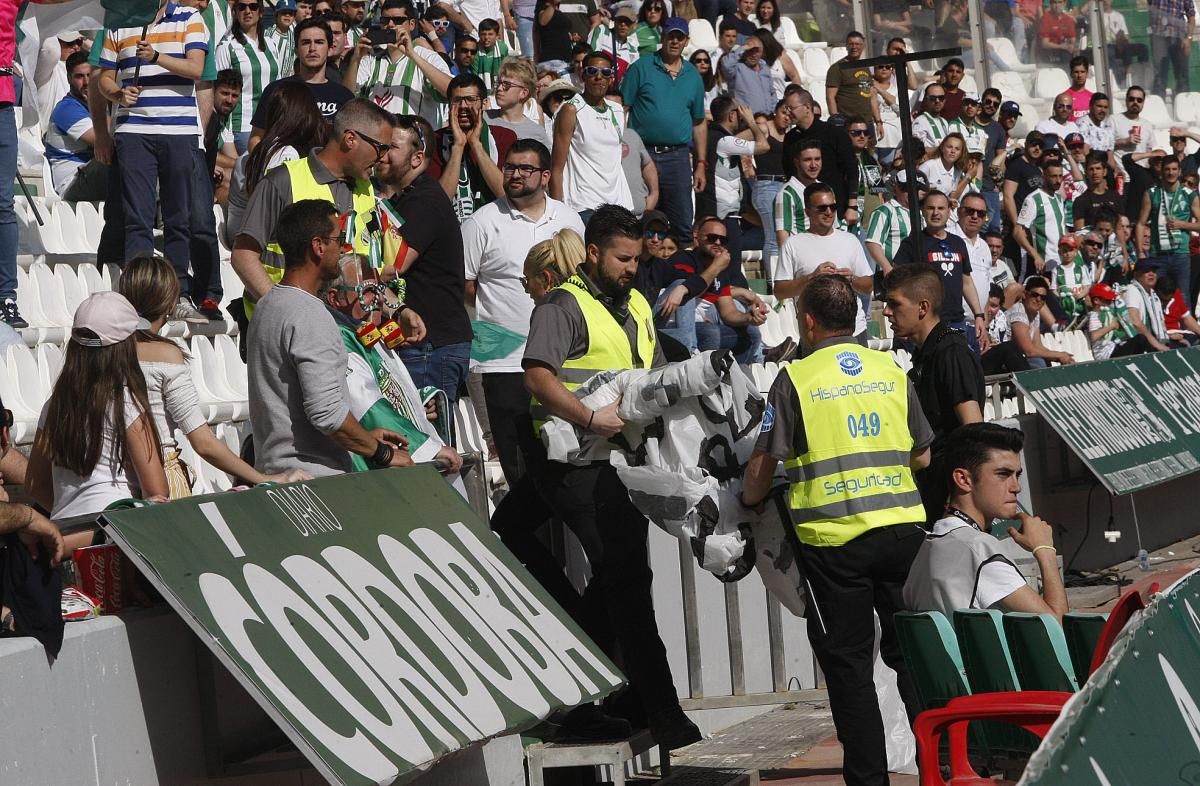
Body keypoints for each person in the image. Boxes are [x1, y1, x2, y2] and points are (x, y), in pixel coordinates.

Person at [523, 204, 702, 750]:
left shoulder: (639, 304)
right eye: (622, 258)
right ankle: (663, 713)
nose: (632, 267)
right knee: (626, 583)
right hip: (576, 462)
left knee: (617, 580)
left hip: (620, 463)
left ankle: (590, 700)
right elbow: (536, 375)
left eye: (637, 258)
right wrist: (589, 416)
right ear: (593, 253)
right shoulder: (562, 306)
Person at [740, 273, 931, 786]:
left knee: (850, 670)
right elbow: (924, 452)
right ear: (854, 320)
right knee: (913, 656)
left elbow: (763, 466)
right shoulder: (891, 370)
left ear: (806, 321)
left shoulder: (795, 379)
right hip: (903, 533)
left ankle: (869, 781)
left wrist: (747, 498)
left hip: (833, 544)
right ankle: (945, 767)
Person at [117, 255, 309, 495]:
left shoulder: (105, 350)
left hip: (115, 480)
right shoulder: (166, 355)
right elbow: (203, 442)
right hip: (159, 478)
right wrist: (262, 478)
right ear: (169, 303)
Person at [248, 199, 413, 477]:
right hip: (313, 483)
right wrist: (381, 453)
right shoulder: (310, 315)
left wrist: (366, 437)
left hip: (277, 473)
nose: (344, 248)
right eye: (339, 239)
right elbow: (326, 414)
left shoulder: (268, 305)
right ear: (318, 246)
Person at [463, 137, 584, 486]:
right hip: (502, 362)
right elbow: (467, 289)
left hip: (561, 361)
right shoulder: (481, 222)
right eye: (510, 167)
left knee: (563, 468)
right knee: (519, 470)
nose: (515, 174)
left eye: (525, 168)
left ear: (546, 176)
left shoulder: (569, 218)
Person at [26, 292, 170, 550]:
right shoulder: (126, 402)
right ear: (123, 349)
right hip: (116, 538)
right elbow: (157, 492)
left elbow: (35, 484)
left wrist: (72, 519)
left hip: (63, 537)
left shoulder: (55, 405)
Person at [234, 98, 395, 316]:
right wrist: (283, 311)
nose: (383, 158)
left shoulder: (365, 189)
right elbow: (243, 255)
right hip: (284, 333)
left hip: (344, 333)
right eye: (381, 148)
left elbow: (368, 270)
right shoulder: (283, 180)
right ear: (350, 139)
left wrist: (398, 310)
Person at [96, 1, 207, 312]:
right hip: (133, 130)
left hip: (178, 130)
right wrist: (118, 94)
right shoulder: (117, 20)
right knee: (137, 220)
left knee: (178, 218)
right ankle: (141, 296)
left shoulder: (189, 17)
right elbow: (104, 77)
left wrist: (158, 57)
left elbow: (196, 68)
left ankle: (178, 293)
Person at [904, 423, 1068, 621]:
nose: (1016, 487)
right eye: (1003, 474)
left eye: (1017, 475)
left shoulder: (928, 546)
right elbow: (1058, 627)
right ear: (963, 479)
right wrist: (1045, 550)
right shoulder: (980, 552)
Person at [322, 253, 465, 473]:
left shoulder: (366, 332)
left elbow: (387, 387)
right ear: (335, 299)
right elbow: (368, 407)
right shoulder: (339, 341)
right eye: (368, 292)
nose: (378, 300)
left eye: (380, 290)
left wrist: (419, 402)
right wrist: (427, 450)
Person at [379, 115, 474, 405]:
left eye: (391, 147)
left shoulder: (425, 201)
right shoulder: (406, 199)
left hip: (431, 346)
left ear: (417, 158)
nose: (381, 154)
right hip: (424, 343)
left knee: (432, 444)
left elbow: (392, 266)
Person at [883, 265, 984, 525]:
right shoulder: (927, 353)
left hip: (950, 500)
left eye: (894, 304)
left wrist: (959, 498)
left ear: (923, 307)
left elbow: (974, 430)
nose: (886, 312)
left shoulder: (951, 352)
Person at [621, 17, 707, 240]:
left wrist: (700, 164)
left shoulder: (693, 76)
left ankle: (682, 273)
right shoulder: (641, 67)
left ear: (687, 41)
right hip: (642, 154)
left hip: (678, 157)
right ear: (663, 37)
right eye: (671, 36)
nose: (675, 41)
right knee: (635, 219)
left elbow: (699, 122)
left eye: (680, 37)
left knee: (682, 224)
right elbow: (622, 108)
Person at [776, 183, 874, 343]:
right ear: (807, 211)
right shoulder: (793, 244)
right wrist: (811, 278)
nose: (829, 212)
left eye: (833, 207)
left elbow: (868, 285)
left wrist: (851, 279)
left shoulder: (850, 240)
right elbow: (780, 291)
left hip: (855, 331)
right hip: (815, 334)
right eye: (822, 208)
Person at [893, 190, 988, 354]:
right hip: (925, 322)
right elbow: (897, 282)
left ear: (949, 211)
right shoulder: (912, 243)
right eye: (930, 208)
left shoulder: (958, 243)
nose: (936, 213)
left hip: (956, 321)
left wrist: (979, 315)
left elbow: (966, 281)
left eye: (941, 208)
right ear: (923, 211)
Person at [663, 216, 767, 361]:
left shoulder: (720, 271)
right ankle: (705, 376)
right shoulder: (683, 258)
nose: (718, 243)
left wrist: (749, 317)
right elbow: (690, 290)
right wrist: (716, 266)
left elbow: (729, 313)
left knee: (751, 333)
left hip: (702, 327)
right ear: (697, 238)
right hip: (673, 327)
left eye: (723, 240)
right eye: (712, 238)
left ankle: (738, 376)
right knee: (710, 332)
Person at [342, 0, 453, 125]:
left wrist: (412, 54)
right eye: (385, 20)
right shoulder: (371, 60)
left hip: (415, 140)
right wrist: (356, 58)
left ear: (412, 24)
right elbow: (345, 99)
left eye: (398, 20)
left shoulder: (427, 56)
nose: (390, 24)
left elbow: (451, 92)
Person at [249, 18, 355, 147]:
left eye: (319, 42)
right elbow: (256, 138)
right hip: (283, 165)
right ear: (297, 50)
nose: (312, 48)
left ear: (329, 48)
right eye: (305, 42)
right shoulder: (276, 90)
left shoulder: (343, 96)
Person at [550, 51, 632, 220]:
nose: (599, 77)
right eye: (593, 71)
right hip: (584, 207)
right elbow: (556, 168)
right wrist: (557, 215)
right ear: (583, 74)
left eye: (606, 72)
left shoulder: (617, 110)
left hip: (618, 205)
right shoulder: (570, 109)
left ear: (611, 78)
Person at [428, 73, 517, 221]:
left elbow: (506, 194)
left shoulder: (504, 137)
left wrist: (476, 144)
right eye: (456, 100)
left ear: (484, 103)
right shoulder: (435, 140)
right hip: (452, 228)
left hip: (496, 225)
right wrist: (458, 147)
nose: (463, 106)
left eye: (470, 99)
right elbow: (439, 203)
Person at [695, 96, 767, 271]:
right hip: (725, 216)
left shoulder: (710, 138)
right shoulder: (725, 141)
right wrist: (751, 120)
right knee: (731, 270)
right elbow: (764, 146)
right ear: (732, 116)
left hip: (710, 212)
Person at [217, 0, 285, 153]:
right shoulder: (228, 46)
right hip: (243, 127)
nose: (248, 11)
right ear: (235, 13)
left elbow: (278, 85)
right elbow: (219, 94)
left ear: (261, 12)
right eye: (242, 7)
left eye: (253, 7)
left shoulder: (271, 44)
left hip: (274, 126)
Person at [782, 88, 859, 221]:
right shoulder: (790, 138)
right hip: (805, 210)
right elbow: (789, 172)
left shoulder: (835, 134)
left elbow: (851, 170)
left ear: (807, 107)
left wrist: (852, 206)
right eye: (786, 108)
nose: (788, 112)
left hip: (835, 208)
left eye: (791, 108)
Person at [1138, 156, 1200, 309]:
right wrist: (1140, 251)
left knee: (1183, 297)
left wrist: (1182, 224)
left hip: (1181, 254)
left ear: (1179, 171)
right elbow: (1140, 223)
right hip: (1157, 253)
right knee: (1155, 297)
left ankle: (1186, 332)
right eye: (1167, 169)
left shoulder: (1189, 194)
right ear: (1161, 172)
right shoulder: (1152, 193)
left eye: (1174, 169)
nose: (1170, 173)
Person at [45, 51, 104, 201]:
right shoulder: (66, 109)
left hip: (92, 175)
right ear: (69, 78)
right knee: (122, 155)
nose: (86, 82)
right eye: (79, 76)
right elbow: (104, 143)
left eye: (90, 75)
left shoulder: (94, 105)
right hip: (72, 183)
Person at [992, 276, 1076, 371]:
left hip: (1016, 359)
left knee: (1045, 361)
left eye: (1043, 297)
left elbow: (1038, 346)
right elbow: (1029, 351)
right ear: (1024, 294)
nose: (1038, 299)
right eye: (1034, 295)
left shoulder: (1035, 314)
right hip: (1002, 361)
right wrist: (1058, 355)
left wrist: (1061, 357)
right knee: (1038, 363)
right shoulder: (1018, 313)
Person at [750, 98, 791, 271]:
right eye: (783, 112)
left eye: (790, 114)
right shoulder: (765, 127)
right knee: (773, 237)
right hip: (766, 185)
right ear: (775, 111)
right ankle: (773, 284)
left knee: (785, 236)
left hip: (784, 185)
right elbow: (736, 139)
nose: (787, 117)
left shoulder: (790, 134)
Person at [1014, 159, 1069, 278]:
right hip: (1046, 265)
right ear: (1044, 176)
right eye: (1054, 176)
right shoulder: (1034, 199)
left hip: (1062, 262)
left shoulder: (1059, 199)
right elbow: (1018, 232)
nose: (1058, 180)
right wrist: (1035, 255)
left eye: (1060, 176)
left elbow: (1061, 228)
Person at [865, 168, 925, 277]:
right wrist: (887, 268)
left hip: (914, 277)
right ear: (895, 187)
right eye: (905, 188)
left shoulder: (920, 213)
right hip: (892, 275)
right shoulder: (885, 211)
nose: (910, 192)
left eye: (914, 188)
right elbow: (872, 243)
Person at [774, 139, 832, 249]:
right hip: (802, 257)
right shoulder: (786, 194)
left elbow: (835, 228)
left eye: (817, 159)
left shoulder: (827, 190)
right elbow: (782, 236)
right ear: (796, 162)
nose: (814, 165)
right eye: (807, 160)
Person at [486, 56, 551, 147]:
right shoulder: (483, 120)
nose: (500, 88)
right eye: (499, 83)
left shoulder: (536, 134)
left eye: (507, 85)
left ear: (523, 93)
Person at [1120, 259, 1174, 352]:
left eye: (1154, 271)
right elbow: (1135, 322)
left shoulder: (1153, 295)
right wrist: (1156, 344)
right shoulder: (1131, 290)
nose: (1151, 274)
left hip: (1151, 343)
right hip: (1136, 345)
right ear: (1136, 274)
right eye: (1146, 271)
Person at [1149, 0, 1194, 98]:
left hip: (1179, 38)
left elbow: (1191, 16)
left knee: (1182, 77)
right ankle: (1158, 109)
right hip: (1159, 36)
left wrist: (1189, 39)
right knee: (1159, 77)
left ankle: (1184, 107)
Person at [1072, 154, 1125, 228]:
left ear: (1105, 172)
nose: (1095, 172)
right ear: (1086, 173)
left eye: (1098, 168)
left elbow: (1121, 225)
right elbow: (1079, 232)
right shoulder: (1081, 201)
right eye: (1091, 169)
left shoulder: (1115, 197)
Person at [1052, 235, 1091, 325]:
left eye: (1070, 250)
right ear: (1059, 252)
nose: (1068, 253)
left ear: (1075, 252)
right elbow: (1053, 289)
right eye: (1064, 251)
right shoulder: (1056, 270)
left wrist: (1080, 295)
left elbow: (1086, 286)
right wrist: (1060, 297)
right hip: (1064, 304)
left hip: (1079, 304)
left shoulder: (1081, 269)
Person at [1038, 0, 1076, 68]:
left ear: (1064, 3)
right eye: (1054, 2)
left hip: (1064, 53)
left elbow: (1073, 40)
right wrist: (1062, 46)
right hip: (1048, 54)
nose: (1057, 5)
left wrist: (1072, 46)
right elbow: (1044, 44)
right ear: (1050, 4)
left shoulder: (1068, 20)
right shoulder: (1045, 19)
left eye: (1060, 2)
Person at [265, 0, 298, 71]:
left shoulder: (296, 35)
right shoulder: (267, 34)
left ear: (294, 17)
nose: (287, 15)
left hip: (289, 78)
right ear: (276, 15)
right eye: (284, 13)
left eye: (291, 13)